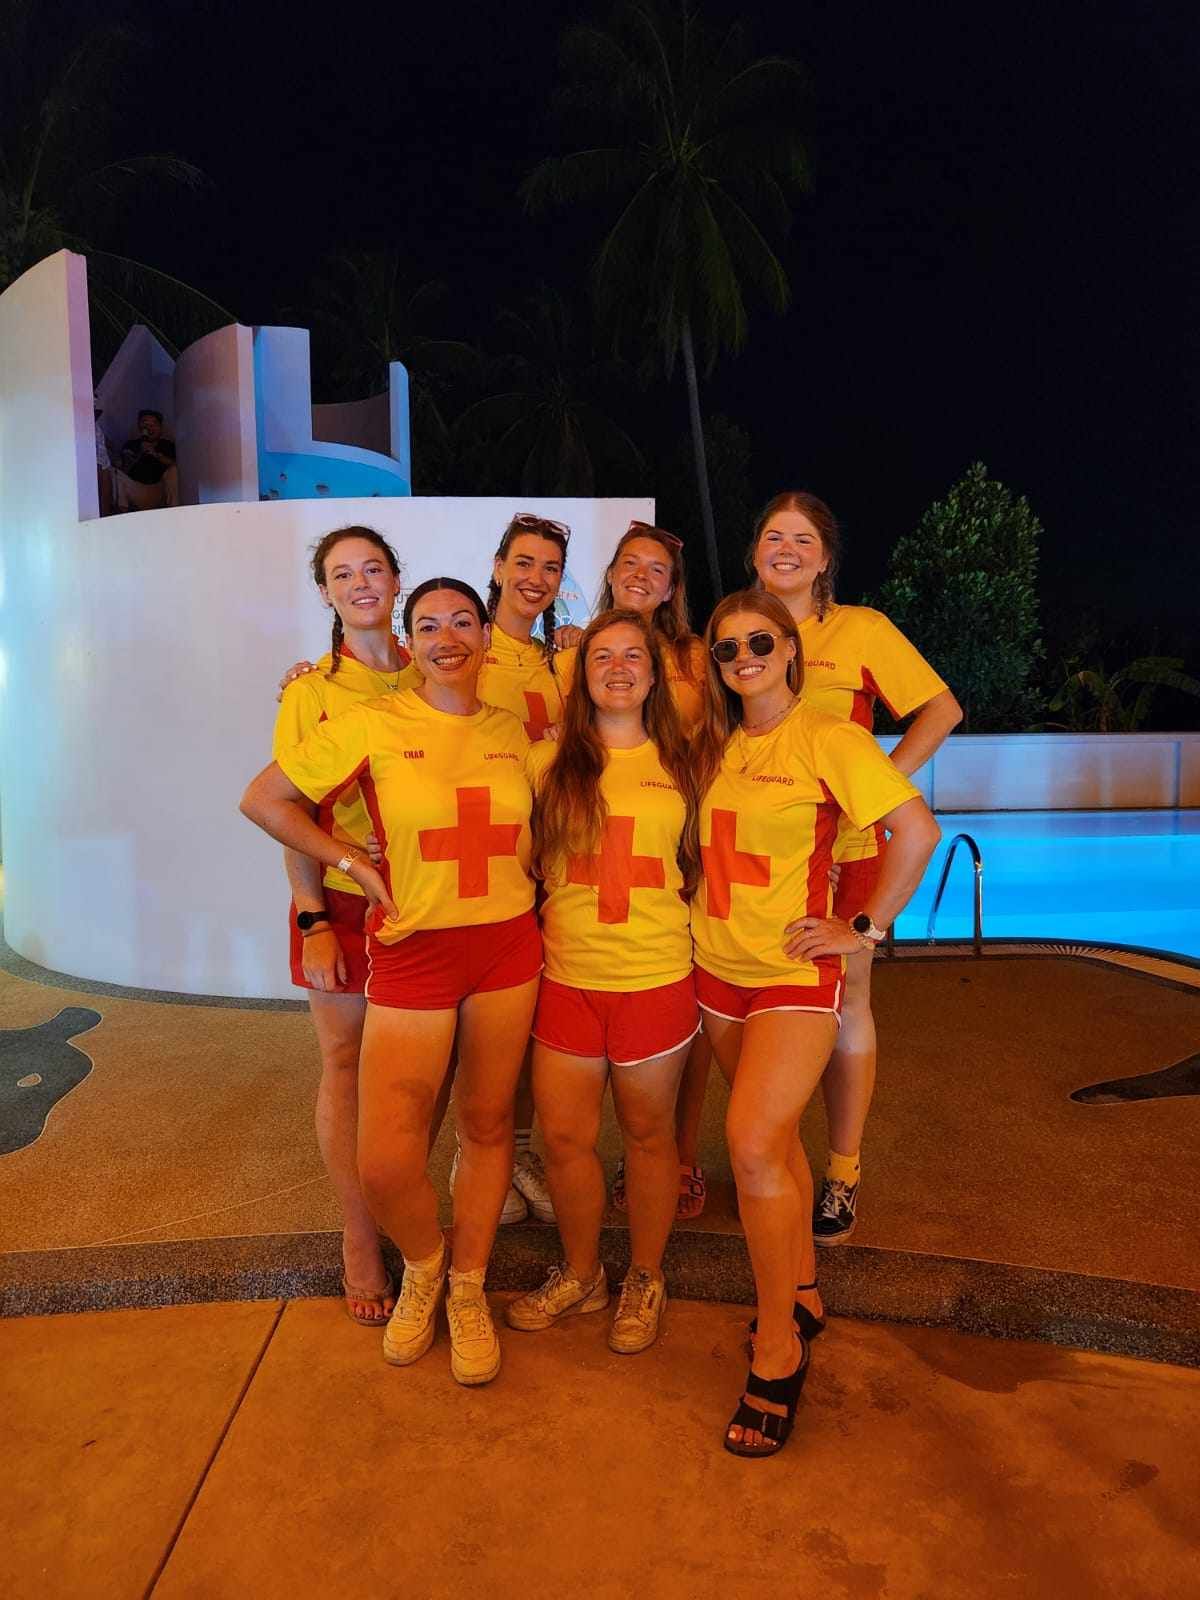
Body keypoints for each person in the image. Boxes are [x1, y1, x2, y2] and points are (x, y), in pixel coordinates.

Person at [242, 577, 542, 1386]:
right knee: (385, 1161)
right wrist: (347, 863)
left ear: (486, 634)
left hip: (507, 948)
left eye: (462, 621)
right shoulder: (372, 722)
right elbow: (265, 799)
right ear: (414, 640)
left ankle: (470, 1287)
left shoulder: (515, 730)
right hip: (413, 952)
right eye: (430, 625)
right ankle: (424, 1264)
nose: (448, 636)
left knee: (486, 1128)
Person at [691, 589, 939, 1456]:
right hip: (714, 969)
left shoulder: (829, 736)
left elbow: (916, 828)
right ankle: (800, 1283)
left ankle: (776, 1345)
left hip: (794, 972)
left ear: (792, 650)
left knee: (753, 1143)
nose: (744, 657)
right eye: (727, 649)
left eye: (760, 642)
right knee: (779, 1145)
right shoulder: (717, 741)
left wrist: (863, 928)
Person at [749, 491, 962, 1243]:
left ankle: (843, 1169)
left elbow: (941, 709)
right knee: (754, 996)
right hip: (761, 855)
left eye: (802, 538)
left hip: (846, 855)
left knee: (846, 1004)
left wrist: (877, 790)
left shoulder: (859, 629)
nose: (786, 549)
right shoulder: (738, 630)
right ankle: (756, 1147)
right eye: (774, 536)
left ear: (826, 557)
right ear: (754, 553)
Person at [506, 609, 700, 1353]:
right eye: (601, 658)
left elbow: (710, 864)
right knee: (563, 1138)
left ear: (653, 674)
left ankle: (645, 1276)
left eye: (632, 656)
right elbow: (512, 856)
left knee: (650, 1138)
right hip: (568, 976)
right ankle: (582, 1272)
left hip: (655, 978)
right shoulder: (544, 763)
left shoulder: (688, 763)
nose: (617, 667)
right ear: (581, 678)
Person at [271, 526, 415, 1327]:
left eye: (373, 569)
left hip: (429, 902)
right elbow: (285, 815)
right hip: (343, 903)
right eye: (341, 574)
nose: (360, 583)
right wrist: (315, 917)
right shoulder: (311, 692)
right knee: (347, 1063)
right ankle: (359, 1239)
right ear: (325, 593)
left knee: (418, 1074)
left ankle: (410, 1218)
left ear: (398, 579)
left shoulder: (432, 670)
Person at [557, 520, 712, 1219]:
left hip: (670, 839)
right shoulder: (567, 650)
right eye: (630, 562)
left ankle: (675, 1157)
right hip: (584, 888)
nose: (643, 575)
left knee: (683, 1039)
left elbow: (721, 739)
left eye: (659, 567)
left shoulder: (699, 656)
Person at [115, 409, 178, 511]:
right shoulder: (131, 445)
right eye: (145, 424)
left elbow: (176, 466)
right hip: (138, 490)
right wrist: (139, 453)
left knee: (174, 470)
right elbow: (124, 469)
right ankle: (123, 516)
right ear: (140, 427)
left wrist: (155, 454)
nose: (149, 428)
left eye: (153, 424)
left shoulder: (168, 445)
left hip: (160, 490)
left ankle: (174, 512)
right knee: (115, 473)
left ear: (160, 427)